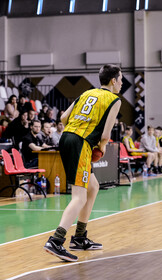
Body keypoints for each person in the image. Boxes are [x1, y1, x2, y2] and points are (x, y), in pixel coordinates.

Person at [44, 64, 121, 262]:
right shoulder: (114, 99)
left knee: (92, 186)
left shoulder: (86, 93)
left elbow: (63, 117)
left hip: (67, 137)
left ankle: (79, 237)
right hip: (80, 143)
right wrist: (102, 147)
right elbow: (105, 134)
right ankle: (56, 240)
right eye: (120, 79)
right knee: (79, 196)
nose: (121, 83)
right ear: (113, 81)